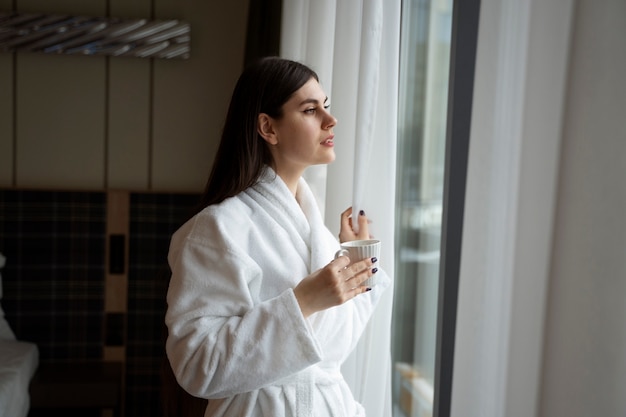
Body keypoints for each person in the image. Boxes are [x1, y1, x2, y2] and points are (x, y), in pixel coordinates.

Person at [165, 56, 391, 417]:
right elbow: (196, 365)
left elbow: (333, 347)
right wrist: (302, 302)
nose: (331, 120)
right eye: (310, 109)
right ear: (268, 128)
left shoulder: (316, 234)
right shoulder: (219, 228)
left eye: (326, 107)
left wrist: (354, 262)